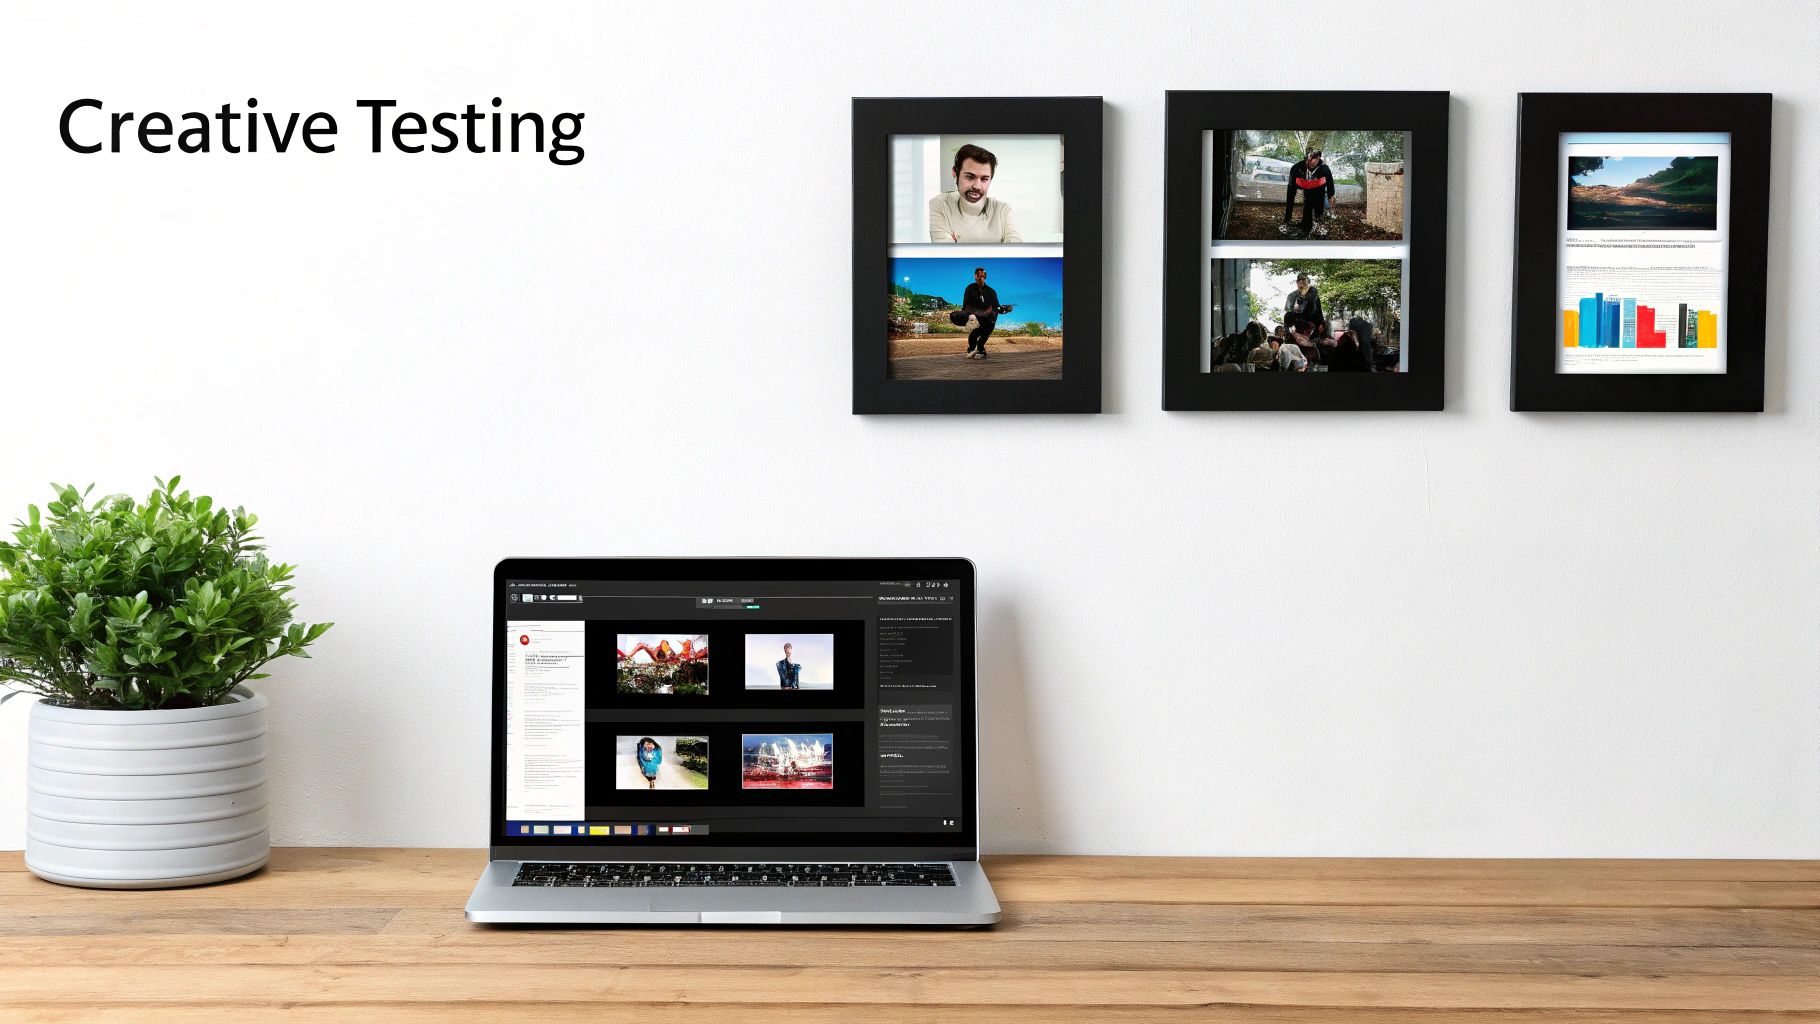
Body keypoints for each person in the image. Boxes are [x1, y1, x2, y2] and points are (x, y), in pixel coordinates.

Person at [928, 143, 1022, 243]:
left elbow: (1016, 253)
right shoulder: (940, 205)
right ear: (955, 172)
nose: (977, 186)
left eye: (984, 179)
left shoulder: (1003, 211)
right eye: (970, 177)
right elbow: (946, 254)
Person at [958, 266, 1013, 359]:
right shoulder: (970, 288)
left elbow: (997, 307)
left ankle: (979, 349)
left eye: (983, 275)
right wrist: (966, 315)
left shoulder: (991, 292)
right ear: (975, 276)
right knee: (974, 334)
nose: (980, 277)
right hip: (977, 316)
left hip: (990, 320)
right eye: (978, 275)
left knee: (984, 335)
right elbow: (966, 305)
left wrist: (1005, 310)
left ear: (985, 277)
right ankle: (974, 349)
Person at [1280, 149, 1336, 239]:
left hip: (1317, 187)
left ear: (1318, 158)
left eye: (1311, 160)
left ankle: (1317, 222)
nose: (1308, 162)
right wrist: (1288, 217)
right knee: (1294, 199)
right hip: (1298, 183)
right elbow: (1291, 192)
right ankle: (1288, 220)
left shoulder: (1324, 169)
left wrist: (1331, 197)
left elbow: (1330, 185)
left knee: (1316, 205)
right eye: (1307, 159)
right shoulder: (1296, 168)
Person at [1284, 273, 1324, 337]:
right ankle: (1289, 336)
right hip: (1297, 319)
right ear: (1297, 283)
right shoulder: (1291, 296)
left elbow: (1318, 310)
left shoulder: (1313, 294)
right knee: (1288, 316)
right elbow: (1289, 312)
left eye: (1304, 281)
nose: (1302, 283)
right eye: (1299, 281)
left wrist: (1321, 323)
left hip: (1312, 319)